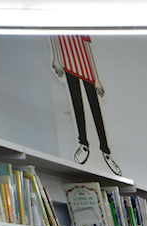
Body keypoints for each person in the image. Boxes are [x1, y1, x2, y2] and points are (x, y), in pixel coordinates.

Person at [51, 35, 122, 176]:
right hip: (68, 64)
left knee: (95, 109)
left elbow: (88, 48)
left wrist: (97, 79)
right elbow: (53, 36)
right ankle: (83, 143)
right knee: (77, 104)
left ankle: (105, 150)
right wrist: (57, 58)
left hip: (86, 68)